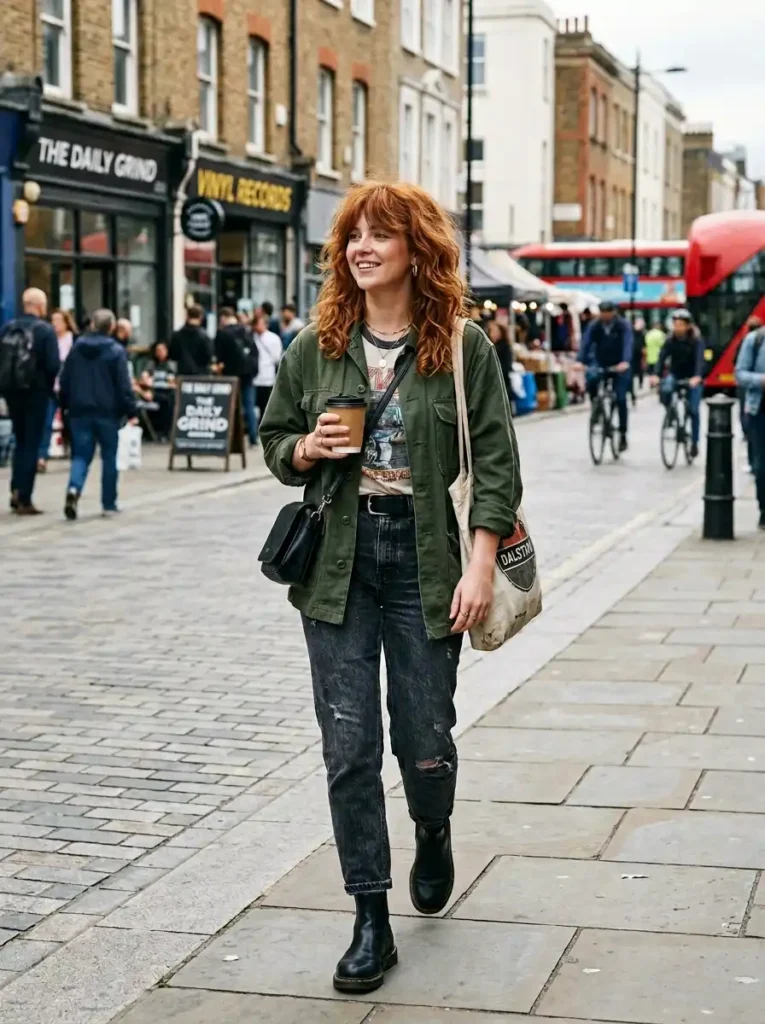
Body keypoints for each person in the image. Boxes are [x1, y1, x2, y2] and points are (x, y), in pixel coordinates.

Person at [260, 181, 522, 994]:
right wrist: (305, 448)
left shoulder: (462, 346)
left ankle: (433, 827)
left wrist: (480, 564)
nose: (360, 248)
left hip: (427, 562)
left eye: (378, 235)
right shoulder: (316, 345)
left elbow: (495, 464)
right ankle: (369, 916)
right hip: (338, 563)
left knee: (424, 736)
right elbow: (272, 440)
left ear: (416, 248)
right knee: (347, 749)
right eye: (351, 237)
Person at [59, 308, 137, 520]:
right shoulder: (115, 351)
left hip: (79, 411)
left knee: (81, 455)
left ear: (92, 324)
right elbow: (123, 385)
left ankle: (74, 488)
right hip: (107, 413)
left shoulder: (76, 349)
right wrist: (131, 410)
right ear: (111, 327)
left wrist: (64, 405)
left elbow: (65, 380)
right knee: (109, 457)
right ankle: (108, 503)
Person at [0, 287, 60, 515]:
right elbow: (53, 364)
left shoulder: (8, 327)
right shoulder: (44, 331)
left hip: (12, 392)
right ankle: (24, 496)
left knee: (20, 439)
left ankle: (15, 488)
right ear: (40, 306)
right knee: (31, 443)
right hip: (36, 392)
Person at [578, 300, 633, 452]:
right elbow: (586, 342)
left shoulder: (623, 325)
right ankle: (596, 407)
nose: (605, 315)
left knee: (621, 398)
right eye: (602, 312)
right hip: (601, 362)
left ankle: (622, 433)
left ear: (613, 312)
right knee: (592, 378)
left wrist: (625, 362)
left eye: (607, 312)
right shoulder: (595, 325)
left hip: (619, 364)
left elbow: (628, 344)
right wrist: (580, 361)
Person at [649, 310, 705, 459]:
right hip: (676, 374)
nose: (677, 327)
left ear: (688, 326)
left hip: (693, 376)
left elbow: (700, 360)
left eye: (681, 324)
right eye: (675, 324)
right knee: (665, 389)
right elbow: (662, 358)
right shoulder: (670, 340)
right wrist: (656, 375)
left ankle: (694, 442)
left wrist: (697, 377)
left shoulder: (696, 340)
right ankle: (671, 412)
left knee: (693, 409)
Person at [37, 308, 77, 472]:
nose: (55, 324)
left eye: (58, 320)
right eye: (53, 320)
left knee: (72, 422)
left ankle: (77, 456)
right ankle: (41, 457)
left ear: (66, 322)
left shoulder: (74, 340)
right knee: (46, 423)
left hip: (69, 388)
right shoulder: (48, 339)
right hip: (50, 387)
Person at [214, 307, 259, 446]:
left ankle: (229, 435)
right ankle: (253, 437)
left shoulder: (222, 333)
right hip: (248, 374)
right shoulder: (245, 330)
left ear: (223, 317)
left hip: (230, 374)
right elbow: (255, 351)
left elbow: (217, 355)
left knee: (229, 405)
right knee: (249, 405)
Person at [735, 319, 765, 529]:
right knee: (761, 465)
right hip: (760, 410)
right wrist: (761, 380)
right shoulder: (755, 340)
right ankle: (764, 510)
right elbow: (740, 374)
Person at [251, 312, 282, 443]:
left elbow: (277, 357)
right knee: (253, 405)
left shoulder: (273, 338)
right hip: (253, 377)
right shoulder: (251, 337)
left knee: (265, 406)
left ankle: (263, 430)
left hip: (267, 376)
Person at [145, 341, 177, 440]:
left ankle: (165, 432)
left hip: (167, 391)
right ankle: (163, 432)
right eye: (158, 350)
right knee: (166, 401)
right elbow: (145, 378)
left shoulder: (170, 365)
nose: (160, 352)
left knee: (170, 400)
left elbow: (172, 382)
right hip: (153, 391)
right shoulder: (151, 364)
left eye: (162, 350)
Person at [169, 305, 212, 377]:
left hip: (182, 374)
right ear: (201, 317)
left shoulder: (177, 335)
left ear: (187, 316)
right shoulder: (204, 336)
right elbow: (208, 356)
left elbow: (173, 355)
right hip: (200, 375)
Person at [487, 319, 514, 405]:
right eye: (491, 330)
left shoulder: (503, 347)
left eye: (495, 331)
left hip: (502, 383)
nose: (492, 333)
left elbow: (506, 366)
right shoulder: (490, 346)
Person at [630, 316, 647, 406]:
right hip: (631, 357)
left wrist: (644, 352)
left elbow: (644, 344)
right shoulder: (631, 333)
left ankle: (640, 384)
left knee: (640, 370)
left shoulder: (641, 334)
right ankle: (633, 395)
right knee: (631, 375)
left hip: (638, 356)